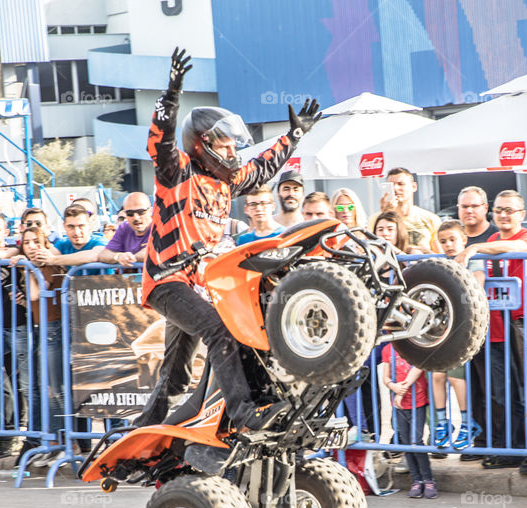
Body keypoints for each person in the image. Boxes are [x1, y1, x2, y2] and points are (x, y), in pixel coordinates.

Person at [135, 47, 320, 433]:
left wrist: (295, 135)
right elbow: (160, 139)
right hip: (168, 280)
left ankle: (143, 435)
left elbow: (265, 164)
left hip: (198, 285)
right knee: (222, 330)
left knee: (175, 377)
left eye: (233, 144)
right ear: (202, 143)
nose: (233, 151)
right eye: (225, 144)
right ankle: (243, 414)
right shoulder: (177, 171)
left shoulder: (228, 181)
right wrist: (172, 92)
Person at [457, 190, 527, 475]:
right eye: (499, 210)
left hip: (522, 325)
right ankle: (510, 448)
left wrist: (473, 248)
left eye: (510, 210)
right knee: (501, 394)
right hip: (493, 326)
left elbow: (517, 247)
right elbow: (481, 276)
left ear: (521, 214)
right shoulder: (492, 241)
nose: (504, 215)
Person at [429, 219, 485, 452]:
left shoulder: (473, 261)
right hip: (443, 330)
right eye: (443, 241)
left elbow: (475, 288)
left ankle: (466, 421)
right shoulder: (441, 263)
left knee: (455, 377)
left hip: (463, 331)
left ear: (464, 239)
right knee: (436, 376)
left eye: (453, 240)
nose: (449, 245)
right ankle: (442, 423)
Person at [12, 226, 66, 464]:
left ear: (45, 243)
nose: (32, 246)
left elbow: (36, 294)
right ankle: (56, 441)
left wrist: (28, 267)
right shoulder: (34, 266)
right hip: (42, 329)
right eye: (27, 243)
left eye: (36, 242)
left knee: (55, 390)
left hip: (53, 330)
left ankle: (59, 442)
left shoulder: (44, 264)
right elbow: (33, 302)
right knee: (49, 389)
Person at [456, 185, 498, 460]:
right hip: (461, 327)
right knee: (471, 388)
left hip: (494, 326)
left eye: (474, 205)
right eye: (464, 206)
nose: (469, 211)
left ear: (485, 208)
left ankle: (496, 441)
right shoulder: (455, 238)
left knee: (493, 387)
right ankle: (479, 440)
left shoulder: (493, 236)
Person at [0, 210, 23, 459]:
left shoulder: (16, 253)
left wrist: (7, 253)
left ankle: (10, 436)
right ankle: (2, 434)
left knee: (17, 382)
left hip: (18, 326)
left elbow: (22, 252)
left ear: (6, 231)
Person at [380, 343, 436, 499]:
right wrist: (393, 386)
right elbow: (385, 377)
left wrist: (401, 391)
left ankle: (428, 480)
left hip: (417, 401)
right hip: (399, 405)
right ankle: (416, 480)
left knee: (416, 441)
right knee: (405, 443)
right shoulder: (387, 349)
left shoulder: (417, 346)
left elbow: (418, 368)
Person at [369, 167, 440, 253]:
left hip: (423, 265)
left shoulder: (431, 219)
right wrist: (386, 214)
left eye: (401, 184)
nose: (395, 188)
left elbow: (439, 254)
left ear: (413, 186)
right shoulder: (375, 219)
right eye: (391, 185)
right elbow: (372, 249)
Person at [32, 203, 106, 269]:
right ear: (64, 226)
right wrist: (23, 258)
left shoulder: (101, 241)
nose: (76, 232)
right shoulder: (63, 244)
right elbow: (42, 259)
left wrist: (53, 260)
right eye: (71, 226)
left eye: (81, 226)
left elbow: (95, 255)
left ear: (89, 225)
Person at [98, 192, 152, 266]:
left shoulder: (160, 226)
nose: (136, 217)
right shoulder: (124, 228)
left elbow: (152, 251)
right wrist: (118, 256)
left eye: (141, 212)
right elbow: (104, 255)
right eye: (130, 213)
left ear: (150, 211)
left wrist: (129, 258)